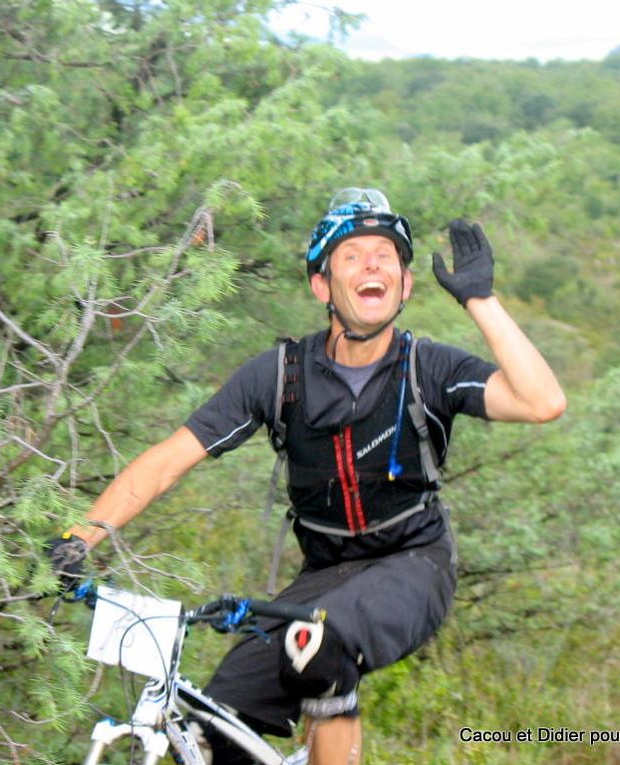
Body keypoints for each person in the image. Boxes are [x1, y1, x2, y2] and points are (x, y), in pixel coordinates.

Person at [47, 188, 566, 764]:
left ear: (406, 284)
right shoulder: (280, 375)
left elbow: (543, 402)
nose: (372, 264)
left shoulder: (430, 368)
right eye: (352, 255)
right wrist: (80, 537)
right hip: (324, 573)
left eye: (385, 256)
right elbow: (170, 459)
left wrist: (481, 301)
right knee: (215, 724)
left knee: (321, 640)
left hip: (413, 563)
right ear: (322, 286)